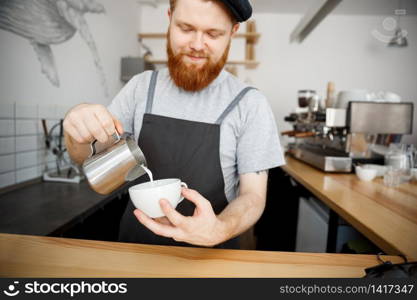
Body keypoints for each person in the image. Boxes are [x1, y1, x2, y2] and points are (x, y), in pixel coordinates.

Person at [63, 0, 285, 249]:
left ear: (232, 32)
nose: (197, 45)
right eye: (186, 28)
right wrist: (75, 134)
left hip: (211, 259)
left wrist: (219, 228)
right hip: (136, 250)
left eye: (213, 33)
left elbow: (253, 196)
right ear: (170, 18)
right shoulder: (140, 88)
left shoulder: (250, 104)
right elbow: (85, 158)